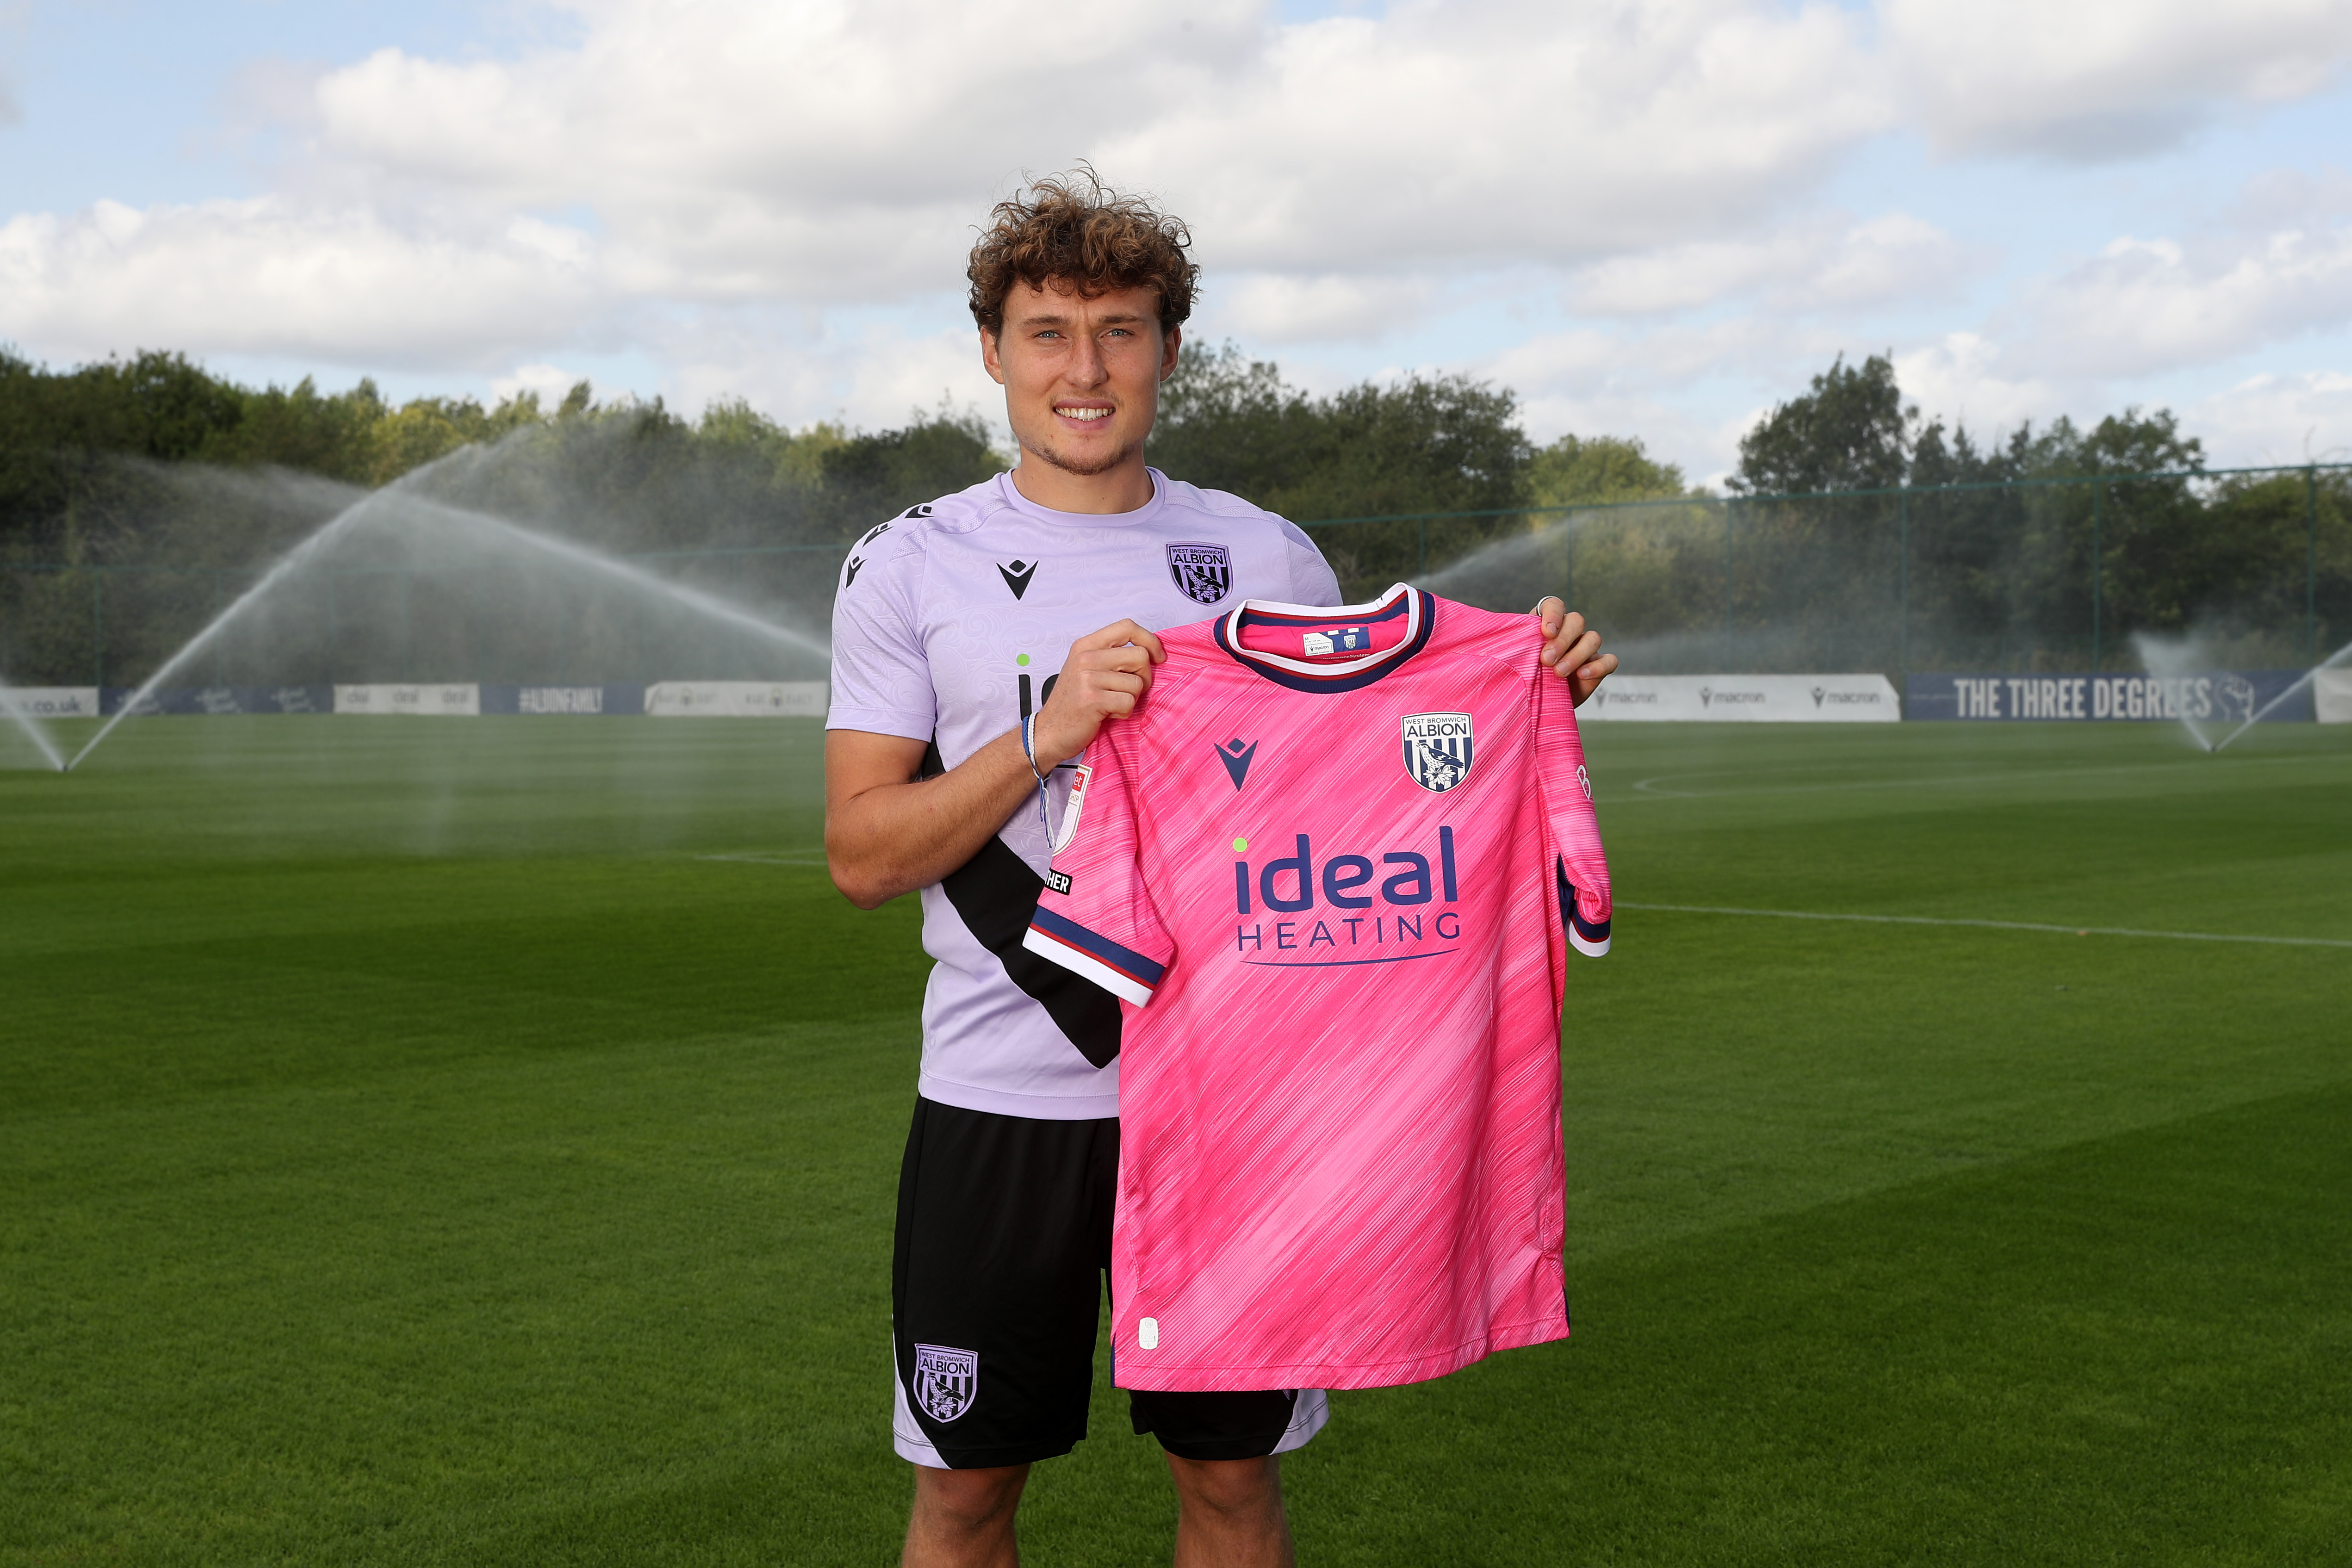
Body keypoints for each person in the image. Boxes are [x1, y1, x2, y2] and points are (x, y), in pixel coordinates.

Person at [823, 171, 1619, 1568]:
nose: (1086, 369)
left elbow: (1374, 798)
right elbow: (861, 856)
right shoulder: (910, 564)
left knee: (1232, 1489)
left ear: (1169, 351)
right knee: (961, 1496)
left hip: (1244, 1121)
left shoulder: (1267, 557)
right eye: (1049, 332)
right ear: (993, 351)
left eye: (1121, 331)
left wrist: (1523, 698)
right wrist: (1046, 732)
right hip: (1001, 1102)